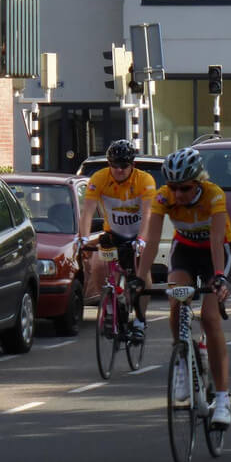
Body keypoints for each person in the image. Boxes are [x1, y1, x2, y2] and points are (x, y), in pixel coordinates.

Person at [137, 147, 231, 428]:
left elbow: (217, 241)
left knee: (210, 318)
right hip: (186, 250)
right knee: (177, 302)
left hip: (215, 253)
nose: (178, 194)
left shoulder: (214, 195)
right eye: (174, 187)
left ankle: (223, 400)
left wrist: (218, 277)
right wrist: (139, 278)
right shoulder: (164, 197)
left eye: (185, 188)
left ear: (198, 181)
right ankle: (181, 362)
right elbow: (152, 241)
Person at [77, 139, 156, 341]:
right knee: (98, 267)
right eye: (114, 165)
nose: (119, 170)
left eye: (123, 166)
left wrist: (142, 240)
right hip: (114, 234)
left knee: (141, 273)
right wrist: (84, 238)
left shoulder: (145, 180)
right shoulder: (99, 178)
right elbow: (87, 212)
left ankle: (139, 320)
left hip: (139, 235)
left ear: (133, 165)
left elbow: (147, 215)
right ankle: (110, 306)